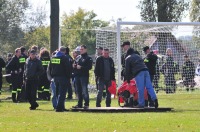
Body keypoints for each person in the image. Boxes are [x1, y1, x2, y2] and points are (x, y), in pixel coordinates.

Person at [47, 47, 72, 112]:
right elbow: (68, 68)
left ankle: (62, 107)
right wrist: (69, 77)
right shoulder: (64, 58)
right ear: (65, 51)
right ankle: (59, 108)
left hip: (55, 78)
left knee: (58, 93)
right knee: (62, 93)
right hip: (63, 77)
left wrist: (52, 76)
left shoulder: (53, 58)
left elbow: (50, 67)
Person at [72, 45, 93, 109]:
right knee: (78, 91)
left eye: (82, 49)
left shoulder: (88, 58)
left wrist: (81, 67)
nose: (81, 50)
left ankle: (86, 104)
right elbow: (75, 63)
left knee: (84, 90)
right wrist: (74, 66)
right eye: (80, 49)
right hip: (77, 76)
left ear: (86, 50)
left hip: (84, 76)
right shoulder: (78, 57)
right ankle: (79, 104)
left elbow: (89, 67)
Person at [121, 41, 140, 106]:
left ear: (127, 45)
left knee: (133, 89)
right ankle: (127, 102)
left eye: (123, 46)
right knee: (126, 88)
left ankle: (134, 101)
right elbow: (123, 65)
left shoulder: (135, 53)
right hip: (127, 74)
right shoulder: (124, 55)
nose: (123, 48)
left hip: (133, 74)